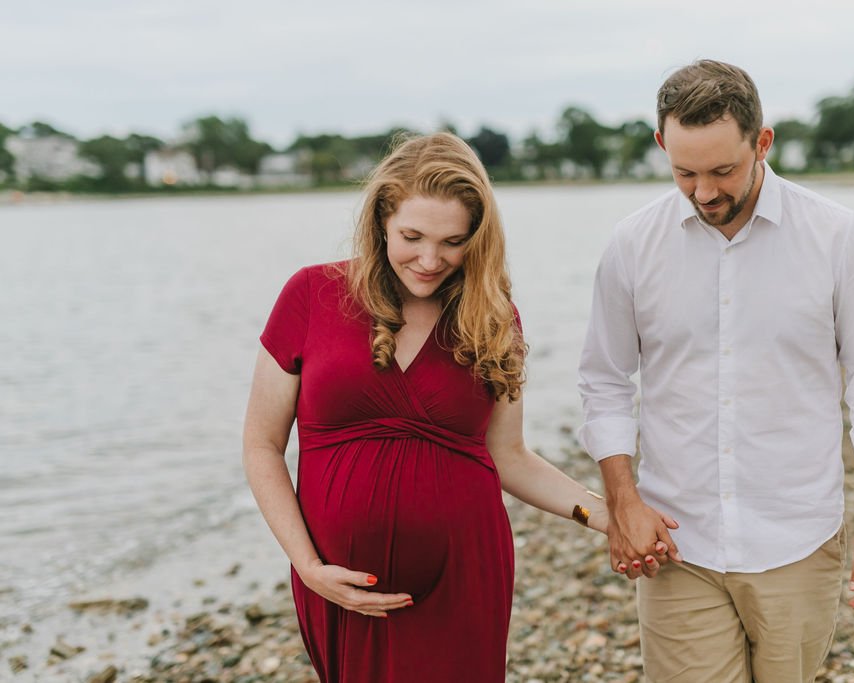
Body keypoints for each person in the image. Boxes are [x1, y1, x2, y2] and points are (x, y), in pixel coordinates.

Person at [242, 132, 665, 682]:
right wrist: (307, 565)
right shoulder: (311, 295)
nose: (429, 259)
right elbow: (262, 445)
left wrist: (608, 514)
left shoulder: (494, 318)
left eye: (452, 242)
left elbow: (509, 456)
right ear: (380, 223)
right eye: (411, 236)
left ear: (478, 239)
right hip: (339, 581)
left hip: (466, 575)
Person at [577, 60, 854, 682]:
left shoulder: (837, 237)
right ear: (661, 145)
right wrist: (622, 501)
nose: (704, 192)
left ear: (763, 142)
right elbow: (603, 381)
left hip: (796, 537)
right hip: (680, 544)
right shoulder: (632, 245)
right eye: (684, 172)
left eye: (722, 170)